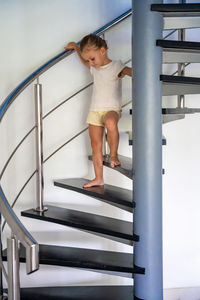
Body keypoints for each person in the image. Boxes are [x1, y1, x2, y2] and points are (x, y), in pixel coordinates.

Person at [64, 34, 132, 188]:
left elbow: (133, 72)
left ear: (102, 51)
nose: (90, 63)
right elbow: (84, 60)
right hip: (94, 111)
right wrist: (75, 47)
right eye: (88, 60)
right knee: (95, 145)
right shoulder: (94, 68)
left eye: (92, 59)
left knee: (110, 121)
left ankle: (113, 154)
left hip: (111, 109)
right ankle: (99, 178)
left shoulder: (116, 66)